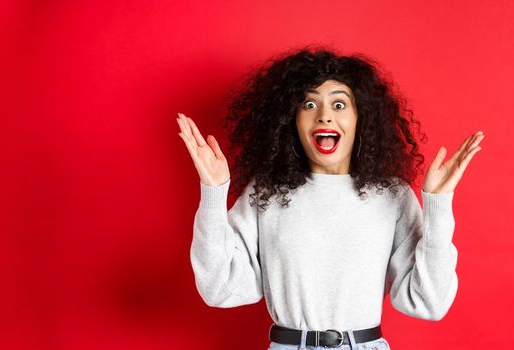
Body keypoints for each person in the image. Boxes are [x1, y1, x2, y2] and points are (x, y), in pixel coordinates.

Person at [176, 46, 484, 349]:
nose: (324, 116)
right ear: (292, 121)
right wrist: (214, 194)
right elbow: (219, 288)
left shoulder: (392, 196)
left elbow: (428, 303)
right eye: (309, 105)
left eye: (339, 105)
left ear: (359, 118)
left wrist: (438, 208)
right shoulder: (265, 194)